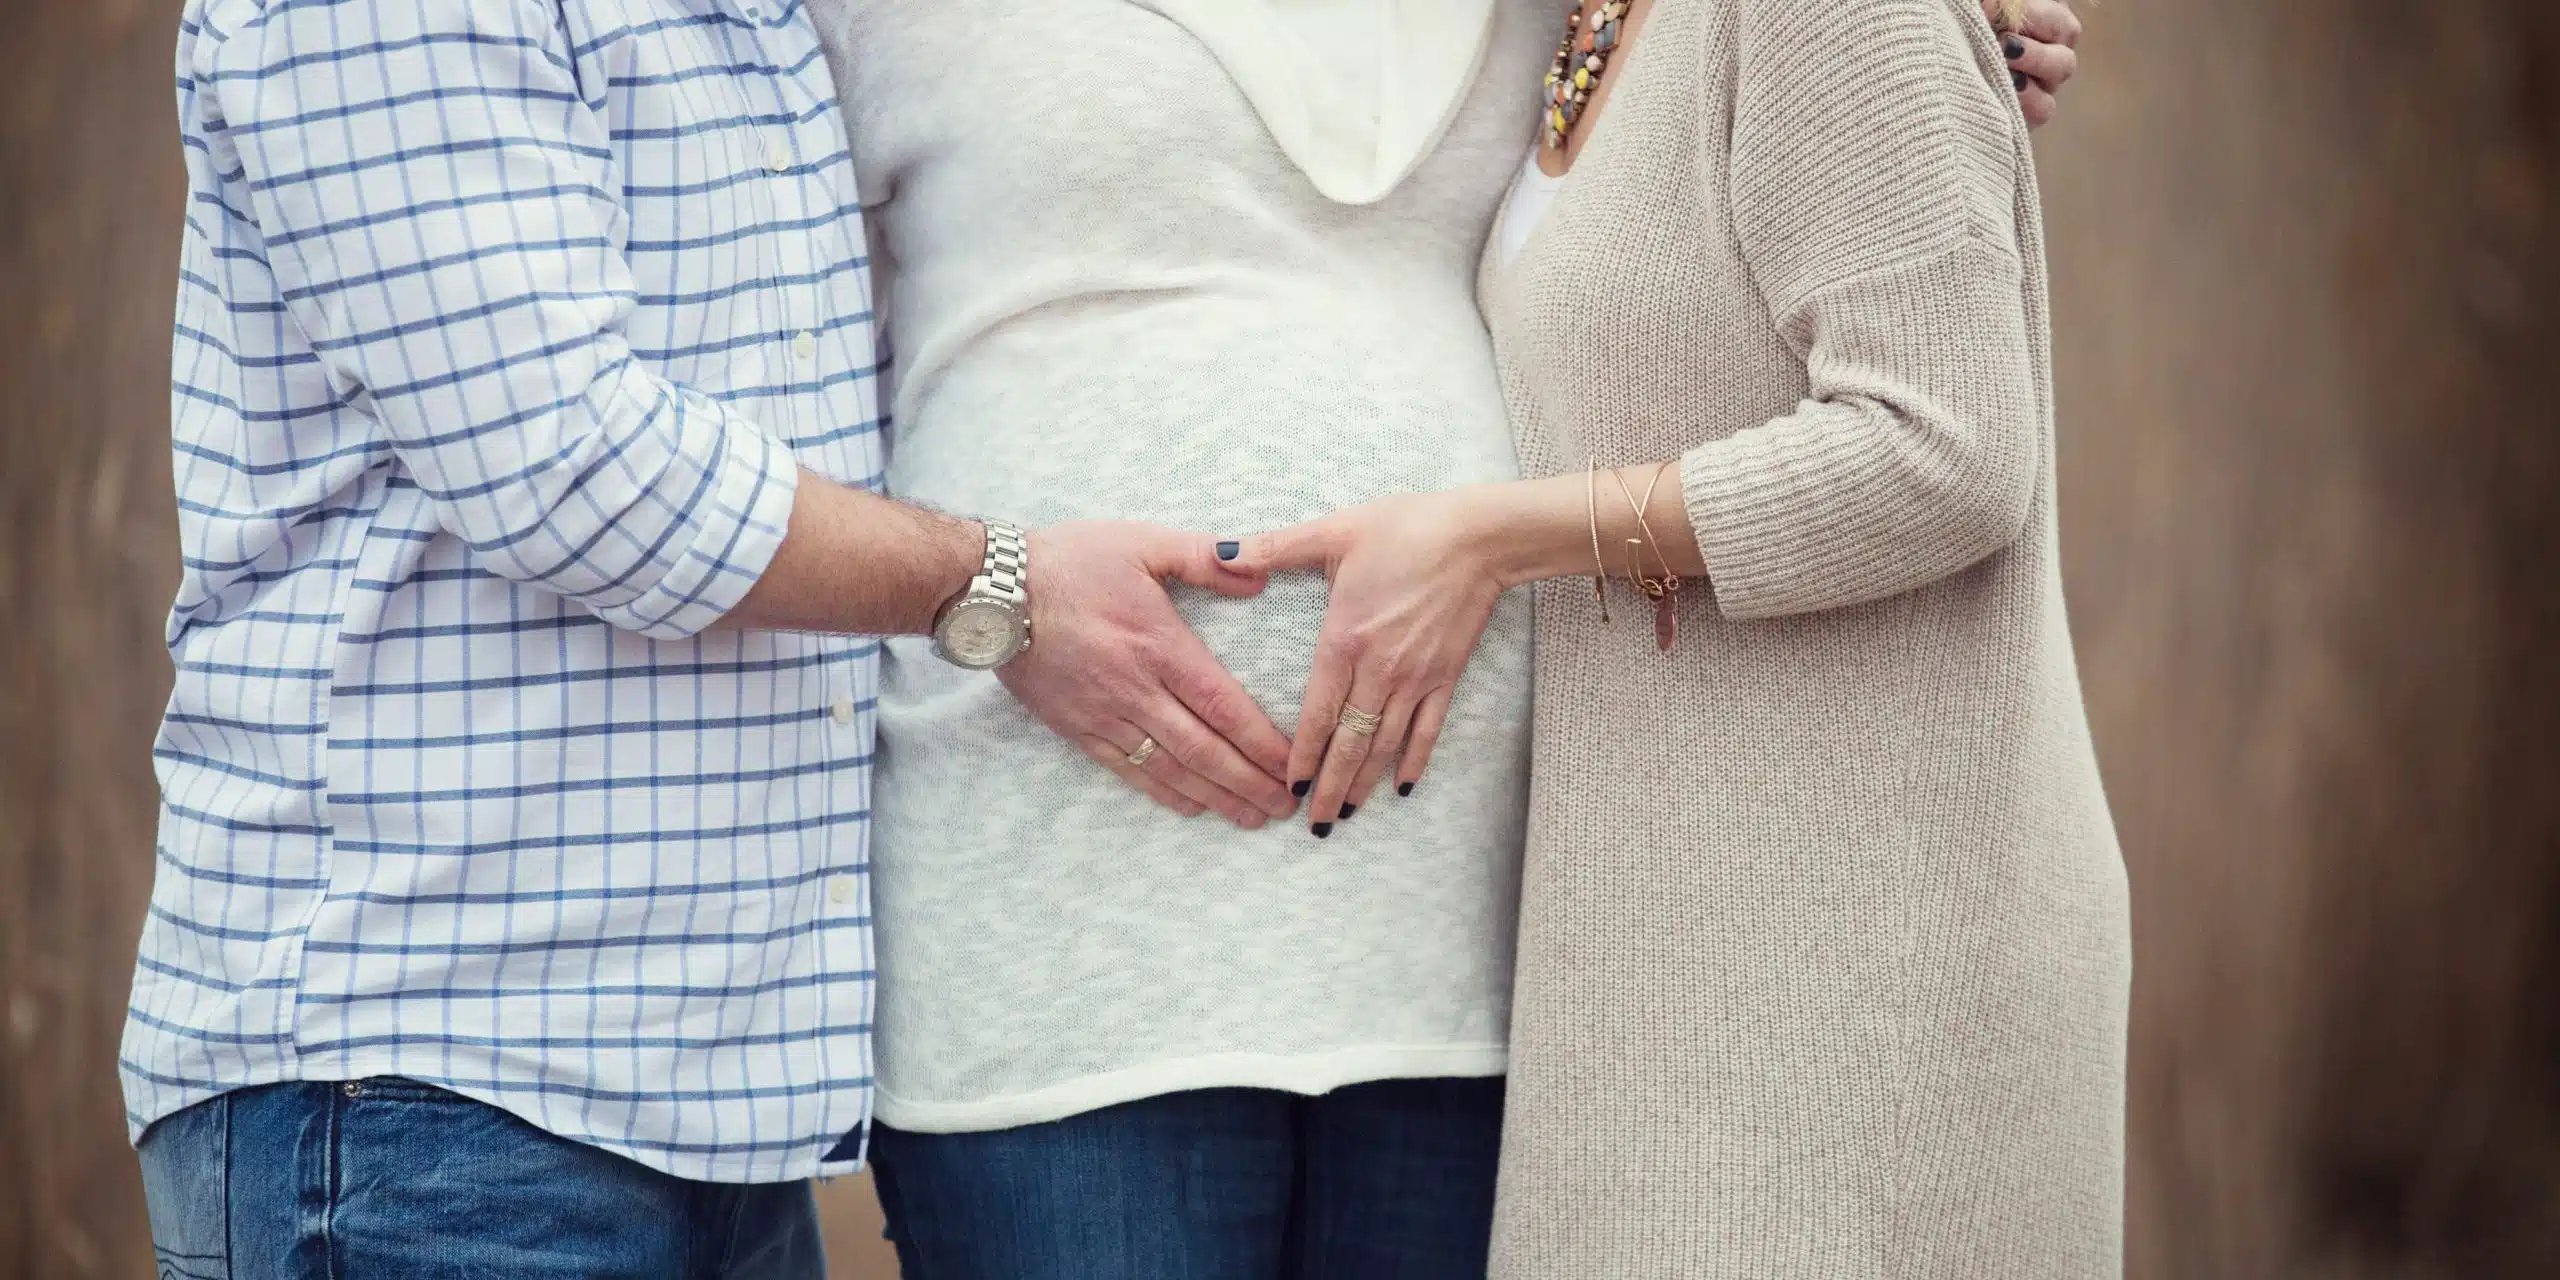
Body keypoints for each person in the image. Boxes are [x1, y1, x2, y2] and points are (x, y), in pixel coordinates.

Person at [806, 0, 2083, 1275]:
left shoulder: (1573, 20)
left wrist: (1953, 48)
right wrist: (988, 582)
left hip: (1486, 925)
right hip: (1059, 919)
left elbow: (1929, 401)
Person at [125, 1, 1293, 1274]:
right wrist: (1006, 588)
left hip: (714, 1112)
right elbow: (570, 467)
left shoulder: (766, 19)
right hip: (426, 1083)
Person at [1227, 0, 2125, 1274]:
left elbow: (1950, 447)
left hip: (1864, 945)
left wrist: (1497, 537)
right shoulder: (1584, 26)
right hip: (1664, 941)